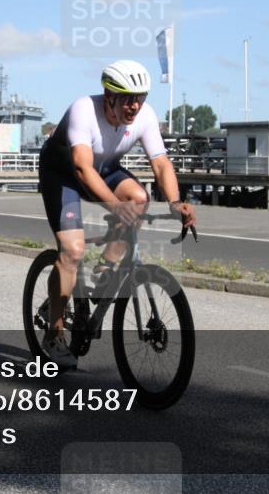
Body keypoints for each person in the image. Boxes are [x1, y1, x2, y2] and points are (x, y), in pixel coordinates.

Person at [37, 60, 197, 368]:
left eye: (141, 97)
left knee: (139, 198)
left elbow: (161, 164)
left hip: (104, 170)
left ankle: (104, 270)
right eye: (127, 97)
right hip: (64, 175)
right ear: (108, 94)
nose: (134, 105)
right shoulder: (84, 110)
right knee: (72, 250)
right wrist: (115, 207)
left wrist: (176, 203)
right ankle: (54, 334)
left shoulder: (145, 116)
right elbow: (82, 168)